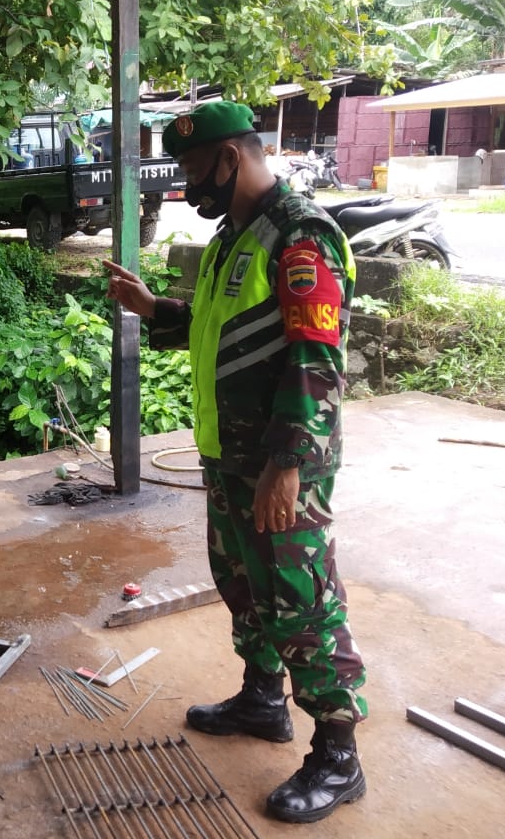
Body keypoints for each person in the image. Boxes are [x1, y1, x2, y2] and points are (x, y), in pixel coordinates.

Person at [103, 101, 367, 824]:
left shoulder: (299, 237)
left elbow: (315, 360)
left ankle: (339, 755)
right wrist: (151, 305)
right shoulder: (234, 240)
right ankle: (261, 699)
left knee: (301, 599)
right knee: (242, 581)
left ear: (233, 158)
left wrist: (289, 466)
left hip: (281, 461)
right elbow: (223, 330)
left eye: (195, 168)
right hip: (231, 456)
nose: (191, 183)